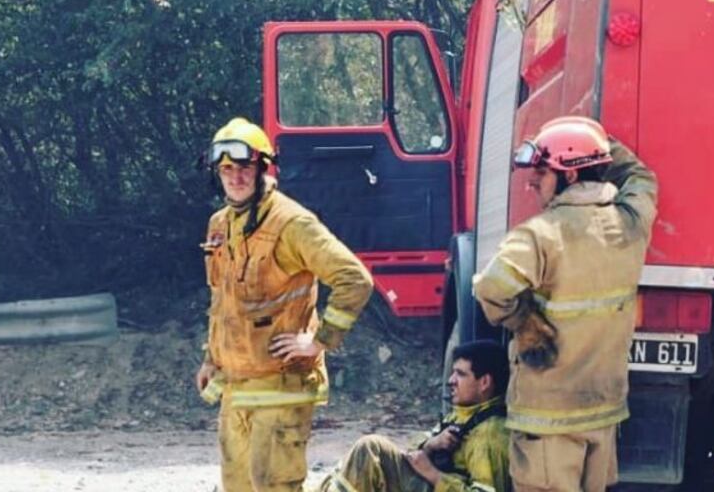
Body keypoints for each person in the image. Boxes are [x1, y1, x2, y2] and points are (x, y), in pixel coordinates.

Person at [473, 116, 658, 492]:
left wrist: (523, 321)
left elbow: (490, 288)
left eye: (542, 173)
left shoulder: (540, 234)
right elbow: (641, 179)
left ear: (569, 176)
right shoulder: (630, 223)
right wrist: (600, 143)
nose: (532, 182)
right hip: (602, 415)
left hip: (547, 421)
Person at [195, 117, 374, 492]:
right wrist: (212, 358)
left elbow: (354, 279)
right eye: (226, 169)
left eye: (244, 168)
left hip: (281, 385)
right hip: (236, 388)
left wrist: (320, 341)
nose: (235, 178)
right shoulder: (220, 225)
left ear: (262, 168)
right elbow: (224, 301)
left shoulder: (291, 223)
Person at [319, 340, 511, 492]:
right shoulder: (463, 415)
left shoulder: (490, 434)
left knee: (369, 448)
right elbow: (412, 453)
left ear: (484, 382)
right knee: (365, 456)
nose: (451, 380)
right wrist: (430, 445)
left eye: (460, 374)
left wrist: (433, 474)